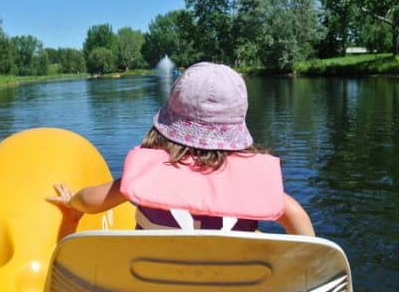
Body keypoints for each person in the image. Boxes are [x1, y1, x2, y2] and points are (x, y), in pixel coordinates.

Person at [48, 62, 315, 236]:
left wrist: (73, 202)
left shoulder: (146, 177)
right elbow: (296, 216)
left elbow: (91, 201)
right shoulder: (257, 189)